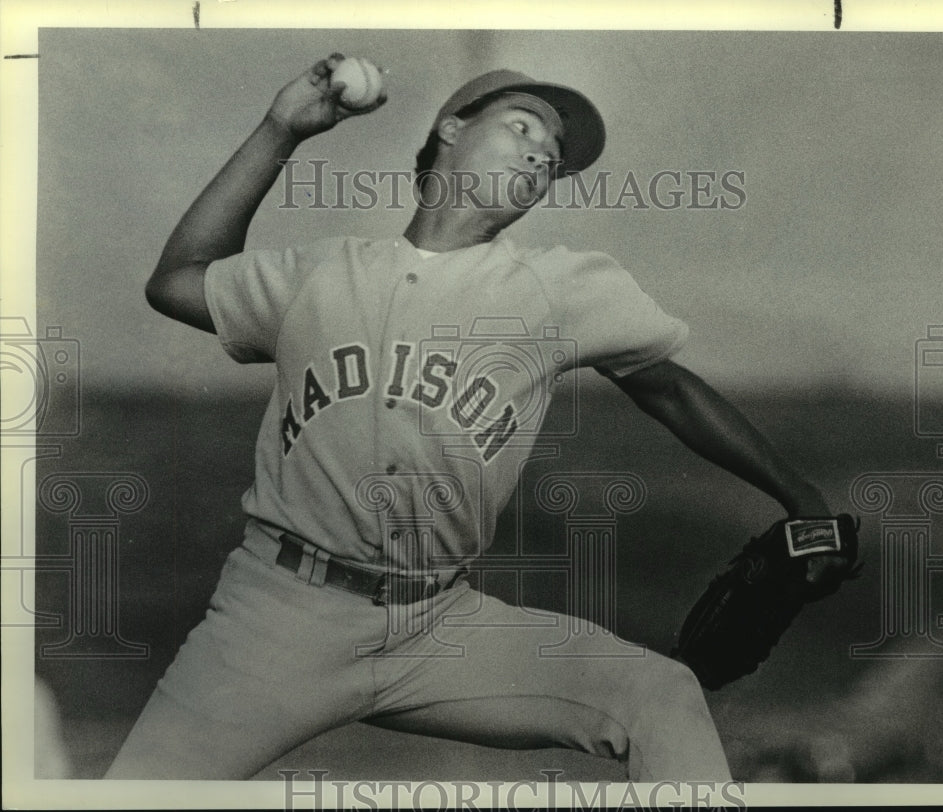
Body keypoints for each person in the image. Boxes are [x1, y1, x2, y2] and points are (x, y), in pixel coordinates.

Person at [106, 54, 843, 780]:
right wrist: (280, 131)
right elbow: (177, 281)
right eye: (522, 127)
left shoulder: (559, 289)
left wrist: (800, 497)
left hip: (438, 625)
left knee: (661, 696)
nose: (538, 155)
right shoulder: (321, 275)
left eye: (551, 158)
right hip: (278, 617)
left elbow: (671, 390)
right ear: (451, 130)